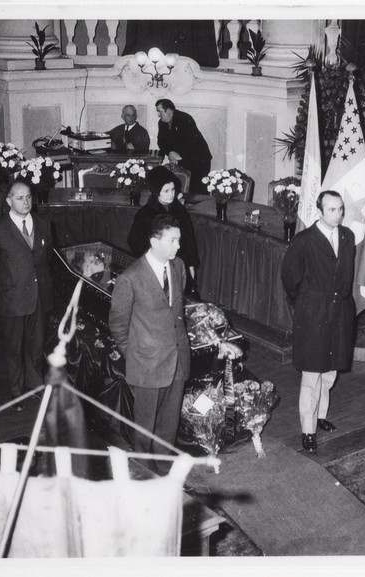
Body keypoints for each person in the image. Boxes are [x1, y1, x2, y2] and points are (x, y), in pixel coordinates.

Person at [109, 214, 190, 471]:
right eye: (173, 240)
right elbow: (118, 325)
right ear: (155, 241)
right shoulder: (130, 278)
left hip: (177, 358)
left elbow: (176, 312)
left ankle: (165, 470)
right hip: (147, 365)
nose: (178, 246)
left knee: (169, 423)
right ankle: (144, 472)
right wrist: (135, 354)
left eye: (179, 240)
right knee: (144, 427)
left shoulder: (178, 267)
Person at [281, 191, 356, 453]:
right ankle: (308, 430)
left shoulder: (348, 237)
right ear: (320, 211)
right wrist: (307, 304)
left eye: (341, 209)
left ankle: (320, 415)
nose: (338, 214)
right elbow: (290, 278)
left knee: (330, 371)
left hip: (340, 314)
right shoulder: (304, 241)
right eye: (333, 210)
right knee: (312, 375)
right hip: (313, 315)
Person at [0, 180, 54, 410]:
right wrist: (7, 284)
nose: (26, 202)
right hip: (12, 300)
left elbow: (46, 259)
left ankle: (34, 385)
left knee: (36, 344)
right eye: (20, 198)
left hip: (39, 297)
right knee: (14, 348)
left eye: (29, 197)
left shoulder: (43, 223)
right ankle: (17, 393)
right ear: (8, 201)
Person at [127, 166, 200, 294]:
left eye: (173, 190)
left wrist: (191, 267)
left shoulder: (180, 211)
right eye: (166, 191)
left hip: (180, 265)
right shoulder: (144, 214)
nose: (171, 194)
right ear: (156, 192)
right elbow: (135, 242)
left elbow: (189, 242)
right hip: (156, 268)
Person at [155, 98, 212, 195]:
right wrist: (171, 153)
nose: (158, 115)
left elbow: (192, 141)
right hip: (182, 159)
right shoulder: (161, 123)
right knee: (182, 190)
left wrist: (180, 154)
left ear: (168, 110)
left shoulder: (185, 118)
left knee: (197, 191)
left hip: (198, 159)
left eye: (160, 111)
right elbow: (161, 142)